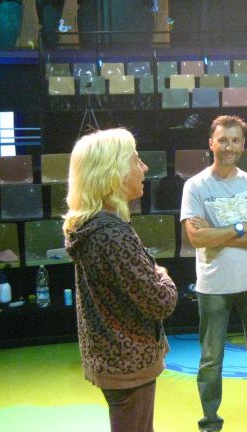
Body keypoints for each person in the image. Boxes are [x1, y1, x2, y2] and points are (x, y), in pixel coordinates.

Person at [63, 128, 178, 432]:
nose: (144, 167)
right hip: (128, 361)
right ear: (112, 172)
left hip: (116, 358)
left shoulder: (95, 226)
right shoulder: (111, 233)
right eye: (135, 160)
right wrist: (164, 276)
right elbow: (160, 301)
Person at [180, 115, 247, 432]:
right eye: (223, 140)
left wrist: (217, 234)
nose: (229, 146)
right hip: (212, 285)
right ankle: (210, 422)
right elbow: (196, 238)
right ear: (211, 143)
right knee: (211, 359)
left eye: (235, 140)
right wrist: (242, 227)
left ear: (243, 145)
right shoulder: (195, 186)